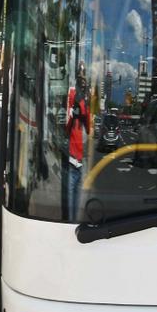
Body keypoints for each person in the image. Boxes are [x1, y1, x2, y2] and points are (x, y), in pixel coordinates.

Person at [64, 62, 90, 221]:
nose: (83, 78)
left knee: (77, 192)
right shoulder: (73, 93)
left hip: (82, 154)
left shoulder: (85, 95)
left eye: (84, 74)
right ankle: (70, 221)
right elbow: (68, 123)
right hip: (74, 154)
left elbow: (89, 125)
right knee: (73, 191)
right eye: (80, 75)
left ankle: (73, 221)